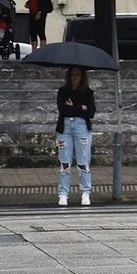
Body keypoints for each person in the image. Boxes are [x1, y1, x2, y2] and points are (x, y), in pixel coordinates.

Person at [56, 67, 95, 207]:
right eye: (73, 73)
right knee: (64, 162)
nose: (75, 76)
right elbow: (63, 109)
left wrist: (75, 107)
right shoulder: (63, 91)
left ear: (82, 76)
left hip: (82, 127)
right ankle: (63, 193)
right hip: (65, 127)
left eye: (78, 74)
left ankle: (85, 191)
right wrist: (81, 107)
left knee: (83, 161)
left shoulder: (88, 92)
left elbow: (91, 112)